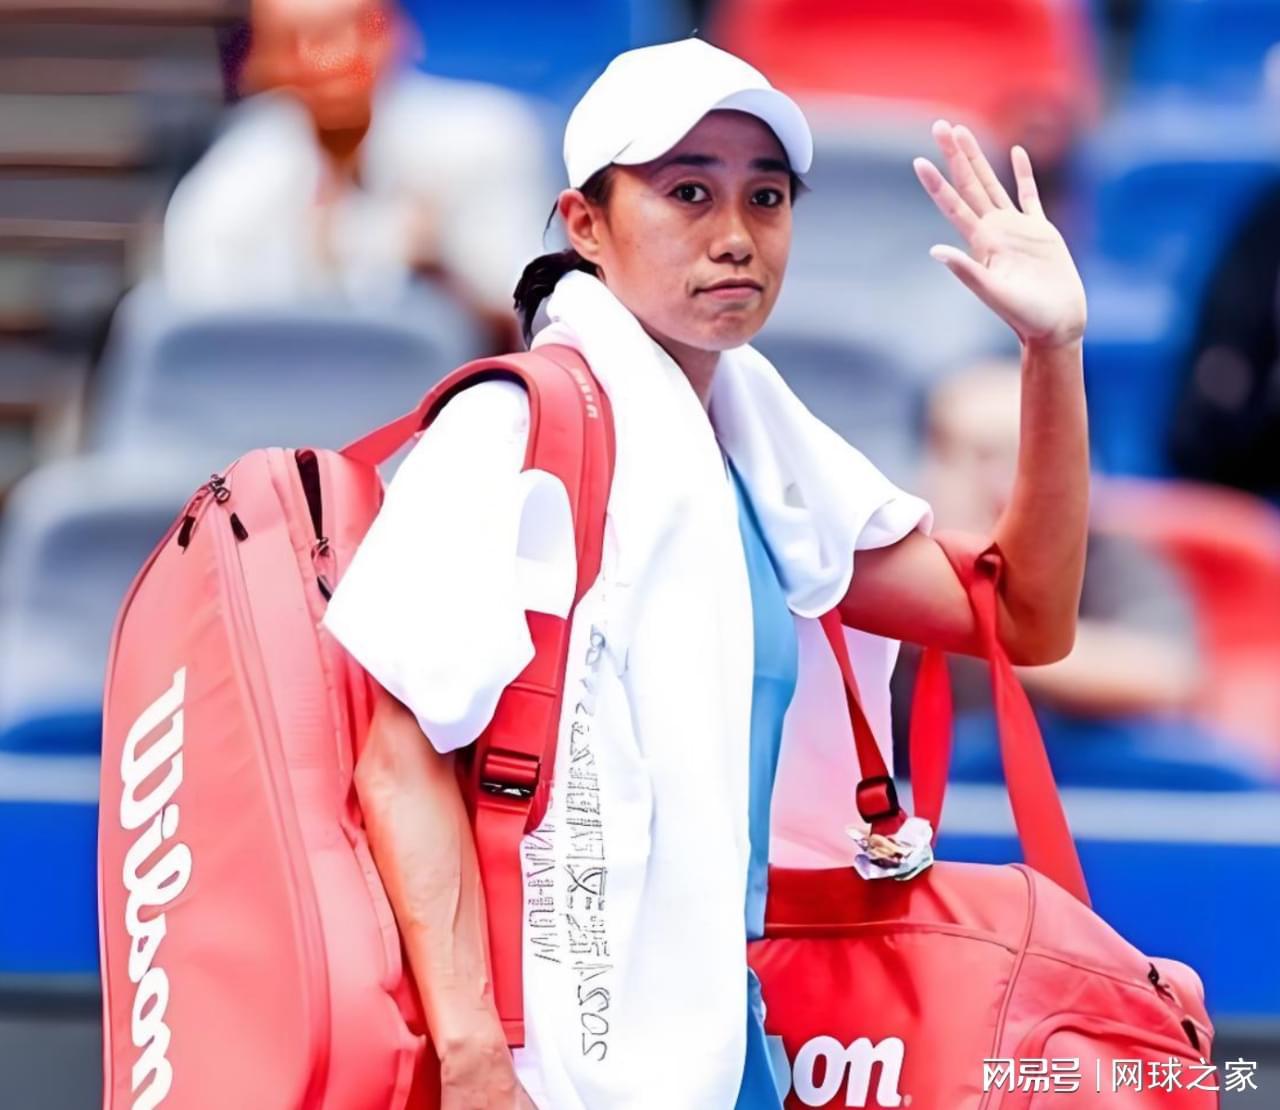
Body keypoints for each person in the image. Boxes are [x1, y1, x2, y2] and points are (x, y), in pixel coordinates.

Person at [322, 37, 1089, 1110]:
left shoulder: (765, 453)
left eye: (765, 198)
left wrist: (1051, 354)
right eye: (688, 192)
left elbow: (1021, 616)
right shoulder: (504, 431)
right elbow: (399, 763)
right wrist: (473, 1058)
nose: (735, 236)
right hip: (544, 1071)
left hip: (725, 1050)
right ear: (585, 223)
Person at [162, 0, 551, 345]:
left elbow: (535, 326)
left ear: (397, 33)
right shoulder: (230, 181)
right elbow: (202, 345)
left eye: (355, 29)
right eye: (293, 40)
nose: (327, 58)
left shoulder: (489, 139)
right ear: (259, 62)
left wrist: (440, 279)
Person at [892, 359, 1200, 766]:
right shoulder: (888, 561)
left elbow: (1166, 673)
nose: (994, 481)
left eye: (1019, 452)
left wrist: (986, 631)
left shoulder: (1106, 553)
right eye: (966, 456)